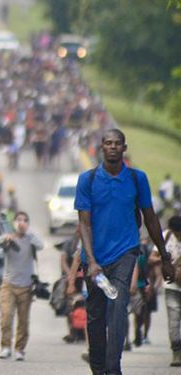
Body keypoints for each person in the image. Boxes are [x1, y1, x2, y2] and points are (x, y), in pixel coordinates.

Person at [74, 128, 175, 375]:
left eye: (117, 143)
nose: (112, 147)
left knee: (118, 307)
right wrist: (92, 261)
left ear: (124, 148)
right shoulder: (87, 180)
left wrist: (164, 256)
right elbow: (84, 223)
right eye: (107, 143)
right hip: (95, 259)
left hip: (125, 252)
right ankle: (98, 368)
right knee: (96, 316)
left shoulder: (136, 178)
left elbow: (150, 219)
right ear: (101, 147)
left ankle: (113, 368)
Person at [0, 211, 43, 361]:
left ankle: (20, 349)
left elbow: (41, 245)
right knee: (6, 317)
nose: (21, 223)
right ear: (13, 223)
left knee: (23, 321)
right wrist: (6, 238)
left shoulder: (30, 239)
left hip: (26, 286)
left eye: (25, 220)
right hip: (8, 285)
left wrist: (28, 233)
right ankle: (5, 347)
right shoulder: (9, 238)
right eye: (18, 220)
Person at [151, 215, 181, 366]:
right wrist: (166, 260)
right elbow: (152, 257)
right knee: (174, 321)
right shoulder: (166, 237)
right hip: (172, 286)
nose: (178, 236)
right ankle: (176, 353)